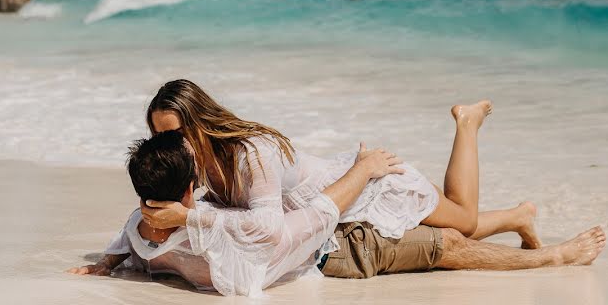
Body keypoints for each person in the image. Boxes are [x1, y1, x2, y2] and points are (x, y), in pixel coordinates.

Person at [68, 131, 606, 295]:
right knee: (452, 245)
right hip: (338, 248)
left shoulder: (145, 233)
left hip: (343, 217)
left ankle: (519, 217)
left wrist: (113, 260)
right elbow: (302, 225)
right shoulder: (195, 229)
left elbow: (137, 234)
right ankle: (553, 252)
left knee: (456, 223)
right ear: (185, 190)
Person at [141, 79, 541, 252]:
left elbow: (268, 226)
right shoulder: (206, 166)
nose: (168, 147)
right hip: (348, 199)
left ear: (199, 123)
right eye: (160, 138)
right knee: (456, 224)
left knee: (464, 221)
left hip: (373, 185)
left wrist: (189, 220)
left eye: (173, 135)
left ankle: (467, 123)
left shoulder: (251, 154)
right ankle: (521, 216)